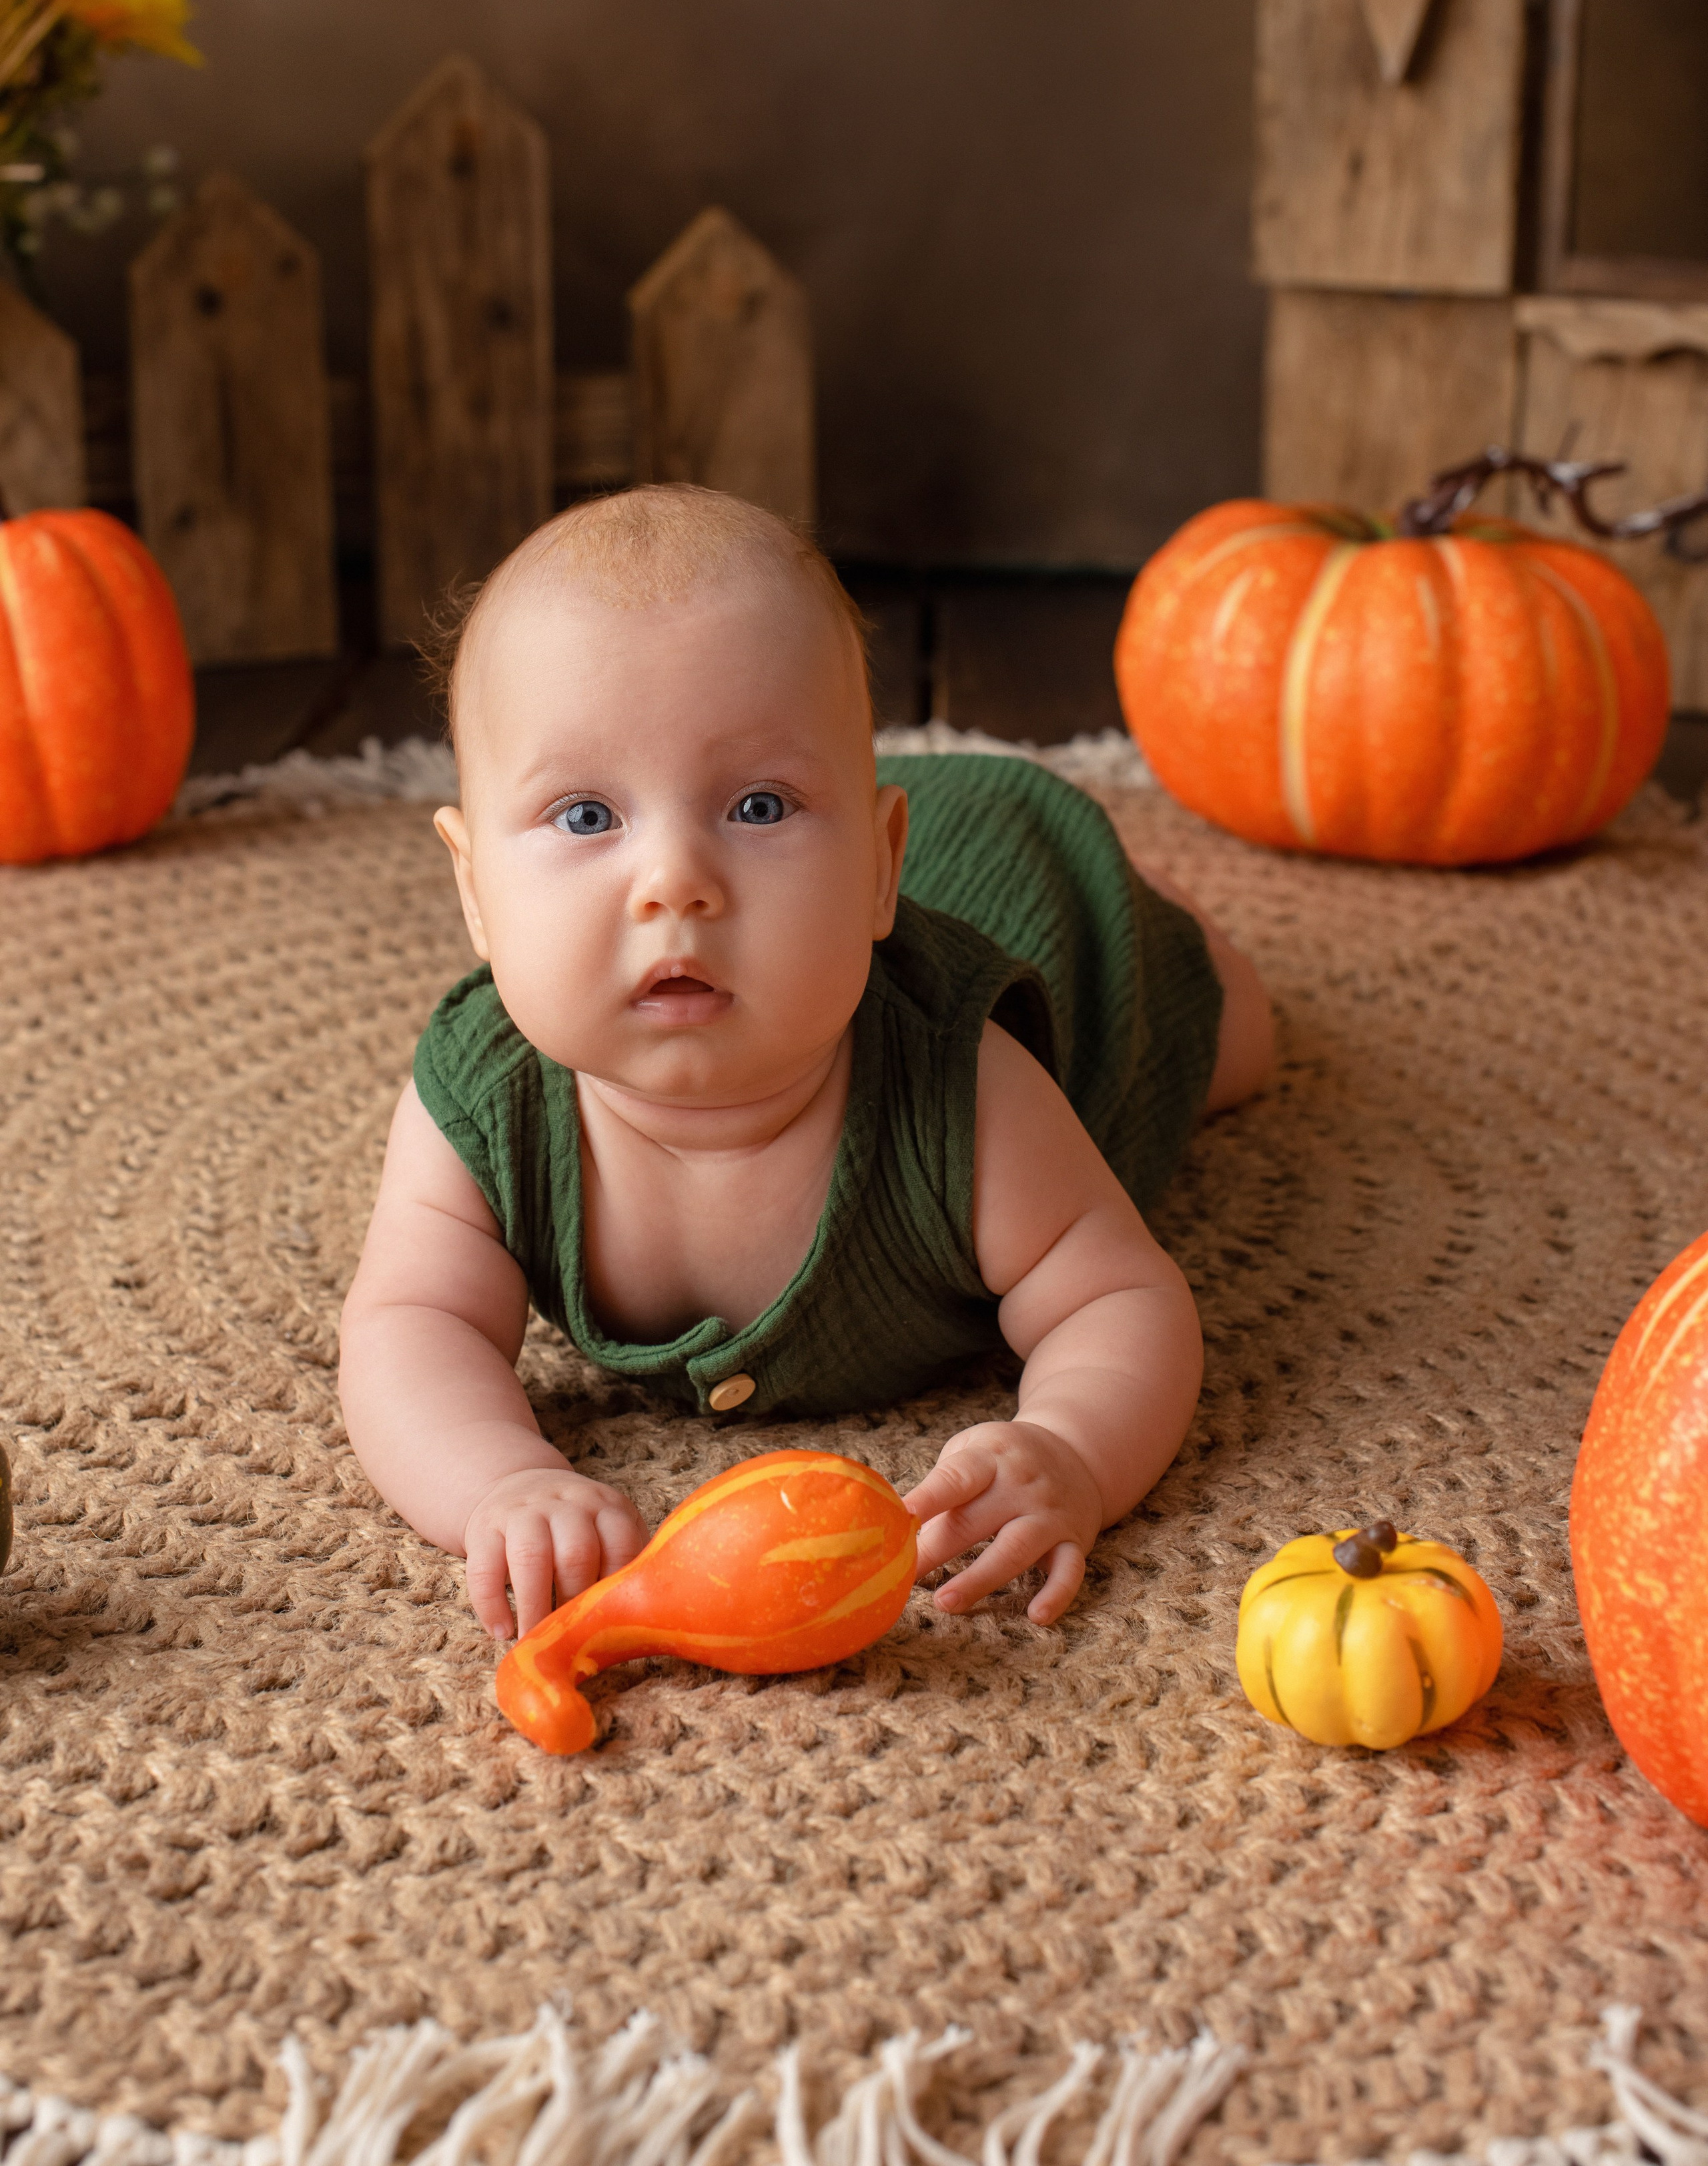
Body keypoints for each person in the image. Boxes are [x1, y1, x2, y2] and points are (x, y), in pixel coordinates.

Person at [340, 486, 1272, 1642]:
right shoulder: (481, 1104)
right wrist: (496, 1481)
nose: (675, 880)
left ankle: (1167, 915)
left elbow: (1122, 1295)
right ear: (475, 890)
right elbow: (407, 1324)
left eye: (759, 804)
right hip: (880, 869)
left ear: (881, 872)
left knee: (1238, 1044)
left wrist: (1069, 1447)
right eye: (586, 817)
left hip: (1051, 908)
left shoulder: (963, 1086)